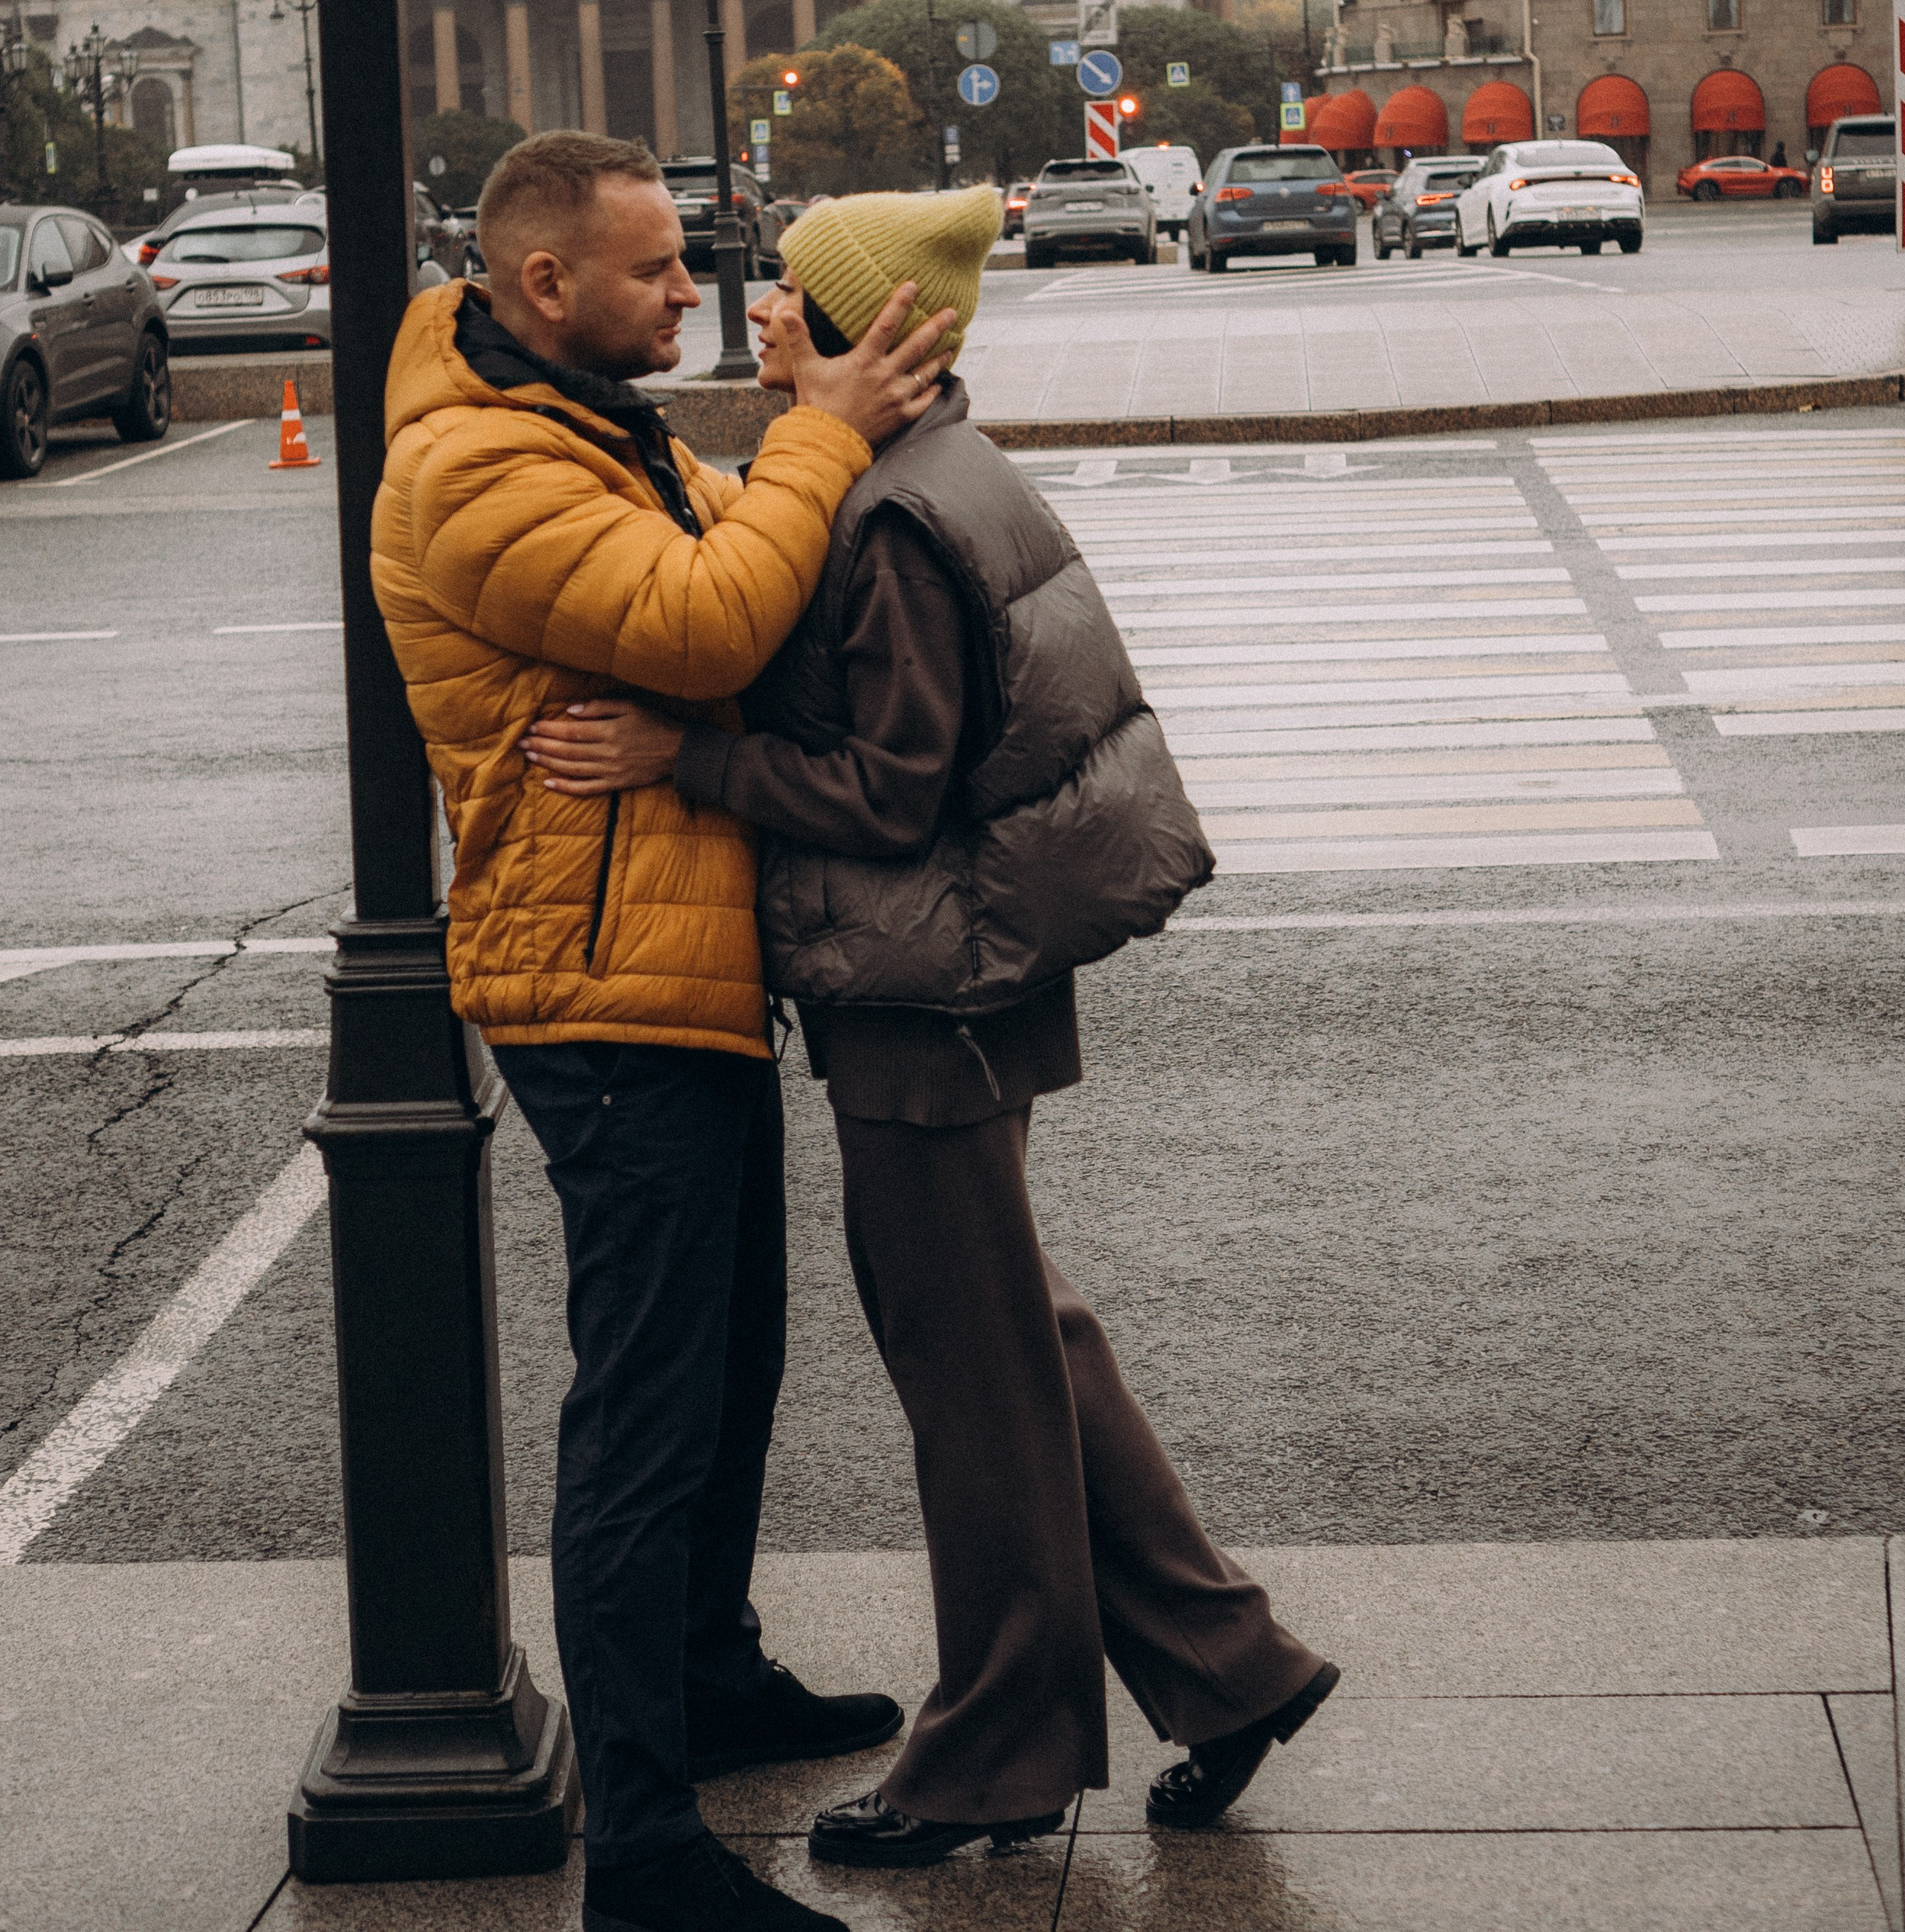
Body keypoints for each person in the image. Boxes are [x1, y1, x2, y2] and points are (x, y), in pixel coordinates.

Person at [525, 184, 1339, 1877]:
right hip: (959, 985)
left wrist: (689, 760)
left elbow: (892, 793)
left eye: (788, 294)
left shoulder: (894, 517)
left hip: (925, 993)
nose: (755, 309)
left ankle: (992, 1760)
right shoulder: (924, 469)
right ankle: (1225, 1664)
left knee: (974, 1388)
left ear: (866, 328)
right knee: (1024, 1341)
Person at [371, 132, 958, 1932]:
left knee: (726, 1367)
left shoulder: (588, 425)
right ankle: (640, 1843)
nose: (691, 289)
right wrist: (819, 438)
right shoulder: (475, 463)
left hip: (673, 957)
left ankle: (707, 1677)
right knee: (642, 1412)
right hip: (598, 983)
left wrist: (799, 429)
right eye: (655, 268)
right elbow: (708, 623)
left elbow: (748, 590)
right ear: (546, 283)